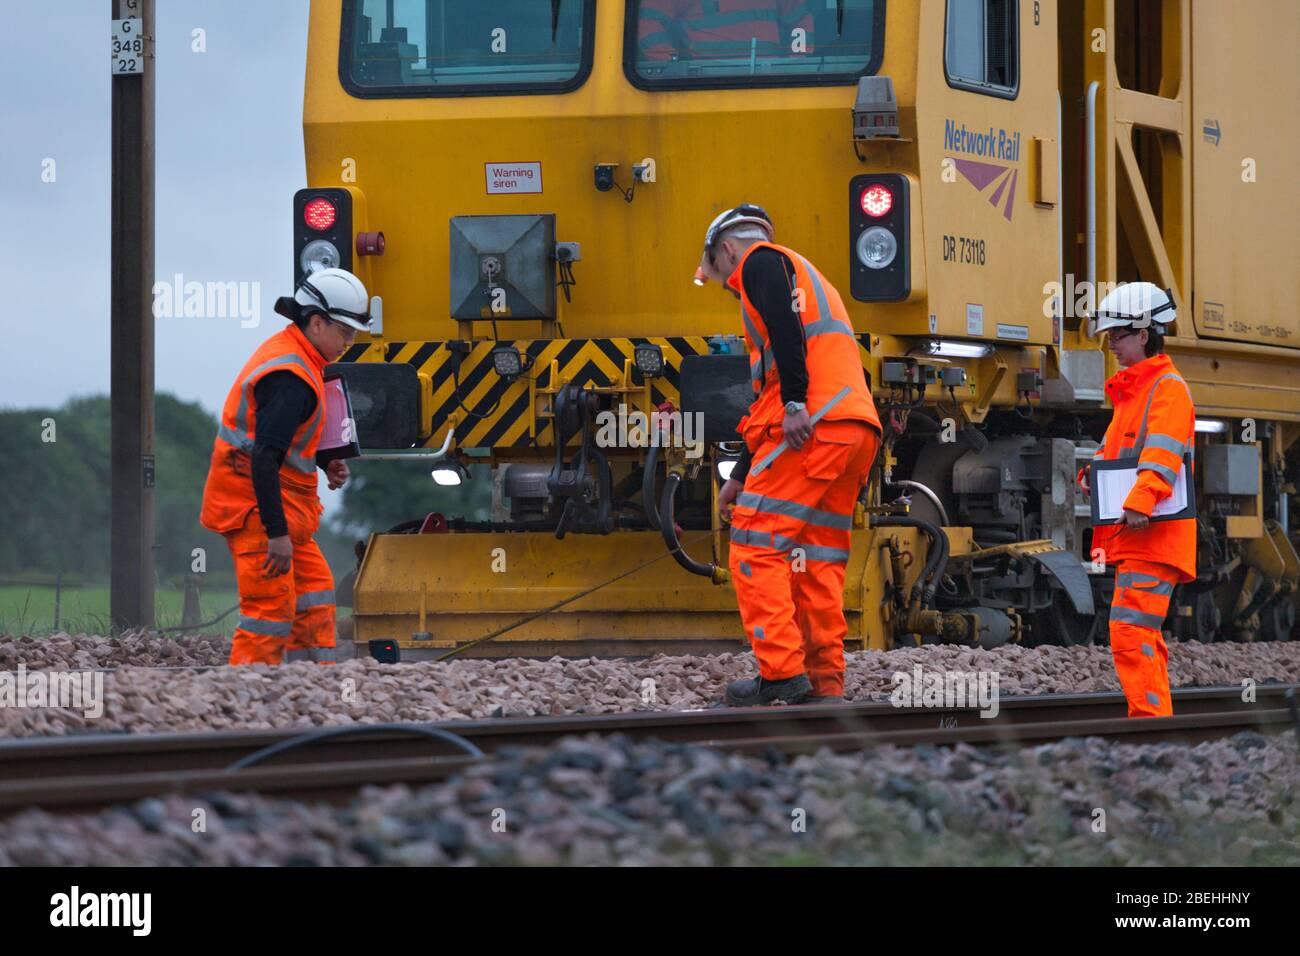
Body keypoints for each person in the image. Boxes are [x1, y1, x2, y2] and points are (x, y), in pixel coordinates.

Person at [695, 204, 882, 705]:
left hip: (813, 426)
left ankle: (780, 673)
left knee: (755, 545)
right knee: (814, 560)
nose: (725, 285)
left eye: (718, 273)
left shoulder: (759, 263)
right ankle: (824, 685)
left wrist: (798, 401)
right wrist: (741, 473)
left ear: (727, 250)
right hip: (850, 429)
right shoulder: (803, 273)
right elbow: (770, 399)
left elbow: (785, 331)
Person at [199, 268, 371, 665]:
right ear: (316, 322)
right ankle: (245, 698)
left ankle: (308, 687)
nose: (350, 341)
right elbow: (264, 456)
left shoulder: (303, 357)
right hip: (255, 510)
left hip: (281, 508)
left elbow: (286, 440)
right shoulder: (291, 376)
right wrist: (275, 533)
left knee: (315, 592)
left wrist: (327, 460)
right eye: (345, 331)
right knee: (270, 609)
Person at [1081, 282, 1194, 717]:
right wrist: (1091, 474)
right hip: (1139, 536)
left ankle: (1149, 727)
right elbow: (1112, 452)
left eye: (1117, 336)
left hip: (1153, 533)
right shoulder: (1134, 392)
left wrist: (1141, 500)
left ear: (1143, 334)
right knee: (1138, 633)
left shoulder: (1166, 388)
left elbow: (1163, 456)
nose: (1111, 345)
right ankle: (1153, 725)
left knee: (1130, 631)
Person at [636, 0, 815, 62]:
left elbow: (800, 19)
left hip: (769, 80)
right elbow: (648, 22)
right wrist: (670, 64)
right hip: (704, 85)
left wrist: (796, 60)